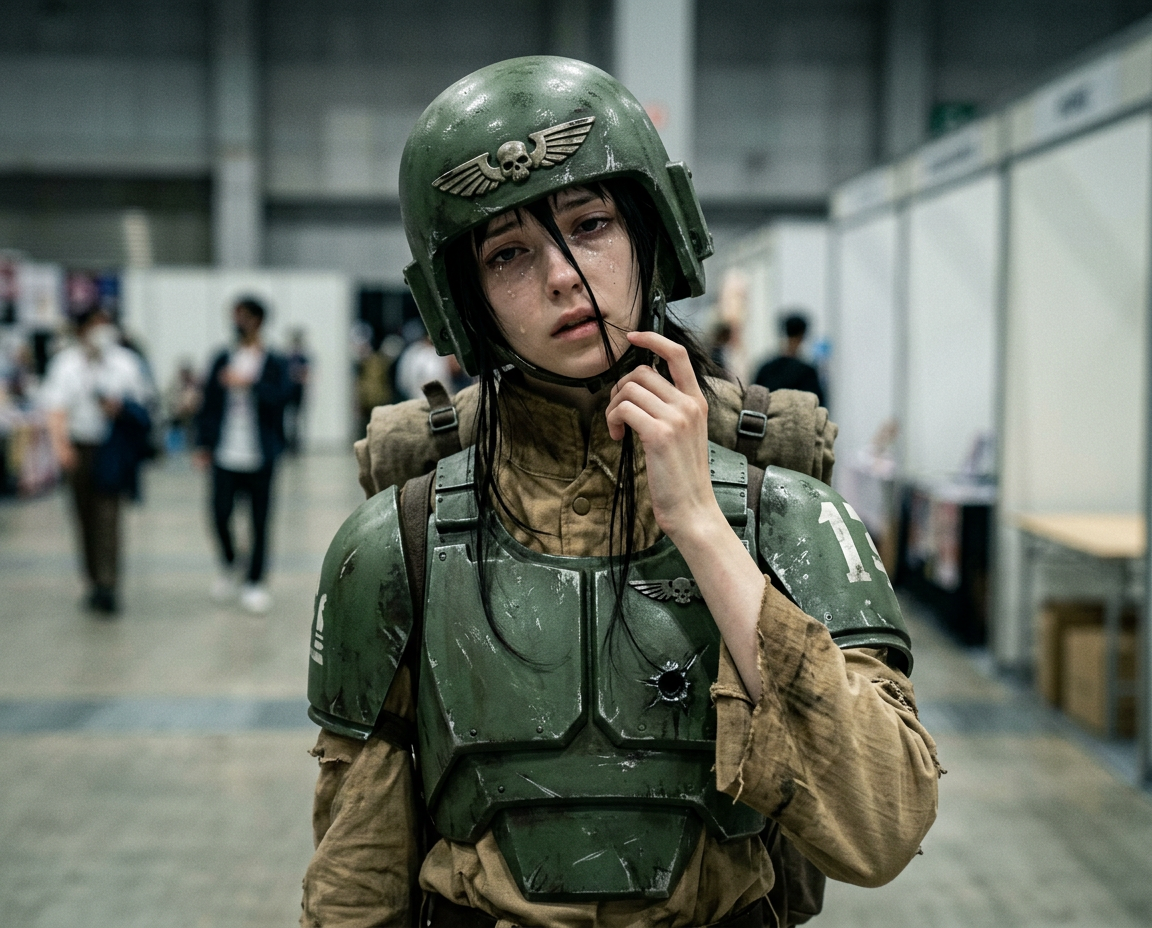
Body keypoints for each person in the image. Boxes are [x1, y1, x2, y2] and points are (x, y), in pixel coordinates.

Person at [302, 57, 940, 928]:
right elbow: (357, 874)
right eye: (508, 254)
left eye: (591, 224)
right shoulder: (398, 540)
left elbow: (883, 829)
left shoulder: (790, 515)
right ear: (466, 299)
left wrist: (702, 526)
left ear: (652, 233)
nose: (563, 276)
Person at [41, 306, 153, 615]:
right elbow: (55, 408)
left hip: (111, 447)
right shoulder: (65, 364)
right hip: (79, 446)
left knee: (109, 516)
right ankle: (92, 581)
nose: (102, 331)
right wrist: (62, 447)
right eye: (95, 324)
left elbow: (143, 404)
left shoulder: (125, 363)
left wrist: (120, 408)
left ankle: (109, 585)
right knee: (84, 517)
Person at [194, 297, 290, 614]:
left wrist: (249, 383)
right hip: (225, 453)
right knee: (219, 514)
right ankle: (230, 562)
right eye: (235, 316)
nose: (238, 322)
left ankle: (255, 581)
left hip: (261, 453)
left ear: (258, 320)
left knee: (259, 520)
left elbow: (283, 397)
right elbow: (208, 404)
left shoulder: (274, 361)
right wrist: (203, 445)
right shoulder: (222, 357)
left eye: (244, 316)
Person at [753, 313, 824, 406]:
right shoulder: (807, 373)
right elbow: (817, 404)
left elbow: (754, 399)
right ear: (802, 336)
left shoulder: (766, 369)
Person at [284, 329, 311, 454]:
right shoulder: (287, 358)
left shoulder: (302, 358)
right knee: (288, 418)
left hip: (298, 392)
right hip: (288, 392)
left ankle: (295, 444)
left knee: (296, 419)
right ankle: (287, 442)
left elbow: (304, 375)